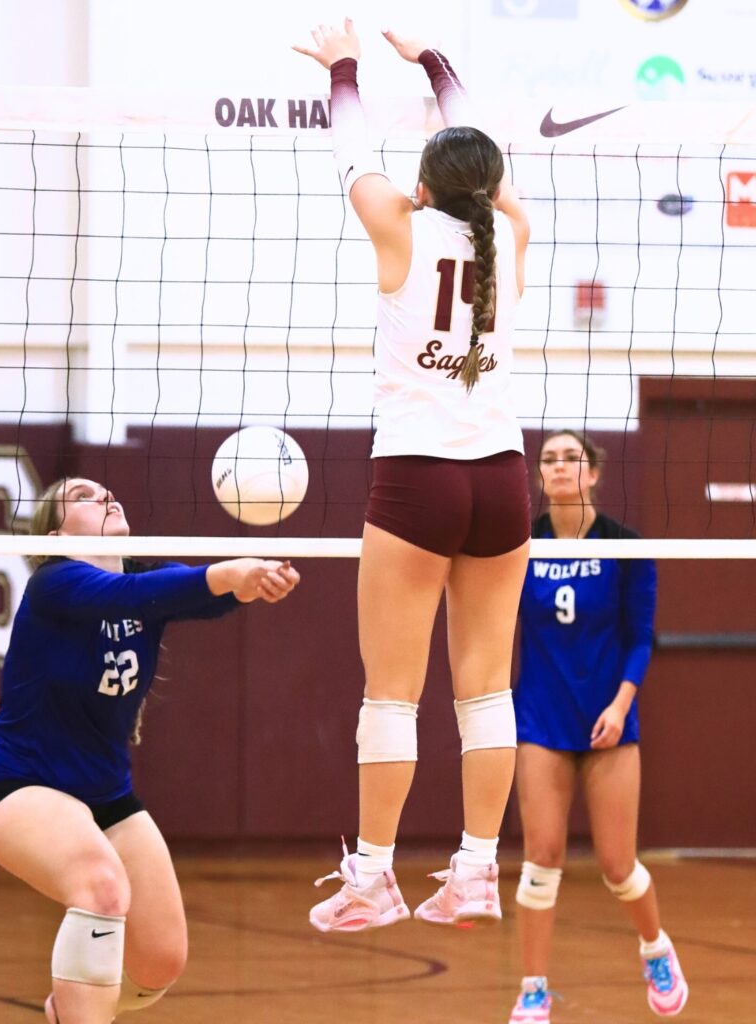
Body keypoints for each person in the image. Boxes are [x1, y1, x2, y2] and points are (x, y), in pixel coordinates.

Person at [293, 21, 532, 930]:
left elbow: (351, 143)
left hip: (417, 480)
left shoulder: (397, 223)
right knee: (488, 688)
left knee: (391, 692)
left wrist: (342, 65)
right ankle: (476, 871)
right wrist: (435, 63)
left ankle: (377, 877)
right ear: (492, 186)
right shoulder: (512, 232)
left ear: (425, 185)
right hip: (500, 479)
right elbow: (485, 156)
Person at [0, 477, 300, 1023]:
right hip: (14, 785)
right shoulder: (54, 583)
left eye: (108, 491)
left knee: (161, 959)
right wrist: (229, 574)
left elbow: (187, 593)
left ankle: (66, 1010)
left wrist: (249, 582)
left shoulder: (142, 578)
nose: (107, 496)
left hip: (104, 793)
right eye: (83, 496)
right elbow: (140, 596)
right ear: (54, 533)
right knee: (100, 886)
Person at [508, 430, 687, 1023]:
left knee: (616, 865)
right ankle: (533, 989)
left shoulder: (626, 546)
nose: (559, 468)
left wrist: (620, 703)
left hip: (609, 715)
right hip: (541, 715)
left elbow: (640, 637)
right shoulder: (518, 547)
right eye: (549, 460)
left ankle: (655, 948)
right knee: (543, 856)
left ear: (592, 474)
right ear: (540, 477)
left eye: (571, 459)